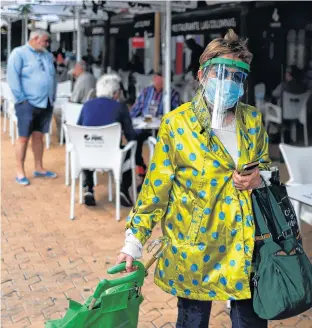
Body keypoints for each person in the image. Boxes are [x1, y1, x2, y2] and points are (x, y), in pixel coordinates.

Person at [117, 29, 272, 328]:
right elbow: (155, 190)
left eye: (236, 77)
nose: (228, 83)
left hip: (243, 244)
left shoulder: (252, 121)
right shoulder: (177, 125)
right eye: (220, 74)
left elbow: (266, 167)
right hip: (195, 245)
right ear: (202, 75)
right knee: (192, 321)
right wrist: (133, 243)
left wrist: (259, 178)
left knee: (250, 321)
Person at [77, 74, 136, 207]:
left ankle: (88, 188)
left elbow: (79, 130)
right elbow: (130, 135)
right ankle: (123, 189)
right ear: (115, 93)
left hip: (87, 157)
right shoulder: (120, 107)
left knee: (88, 145)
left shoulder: (87, 105)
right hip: (112, 156)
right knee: (130, 148)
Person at [7, 29, 57, 185]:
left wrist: (52, 97)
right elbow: (12, 77)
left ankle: (39, 167)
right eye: (46, 41)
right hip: (27, 103)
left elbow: (52, 76)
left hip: (46, 102)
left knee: (39, 136)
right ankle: (20, 171)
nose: (48, 44)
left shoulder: (47, 55)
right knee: (23, 138)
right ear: (35, 39)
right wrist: (22, 100)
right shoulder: (19, 53)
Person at [130, 70, 180, 186]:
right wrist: (130, 119)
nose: (157, 80)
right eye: (156, 77)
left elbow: (176, 113)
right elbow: (136, 109)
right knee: (134, 139)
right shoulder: (146, 91)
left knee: (163, 145)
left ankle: (158, 175)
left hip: (161, 127)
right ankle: (141, 168)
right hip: (144, 126)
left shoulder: (172, 94)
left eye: (160, 77)